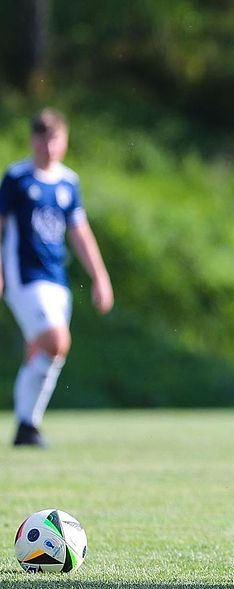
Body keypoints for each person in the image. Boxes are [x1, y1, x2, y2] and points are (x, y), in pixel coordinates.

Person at [0, 108, 114, 447]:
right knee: (56, 340)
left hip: (56, 279)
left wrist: (100, 277)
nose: (48, 147)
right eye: (42, 140)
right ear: (33, 141)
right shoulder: (17, 178)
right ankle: (27, 423)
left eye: (55, 140)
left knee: (43, 350)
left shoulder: (68, 181)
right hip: (24, 276)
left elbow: (79, 232)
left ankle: (25, 426)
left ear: (63, 142)